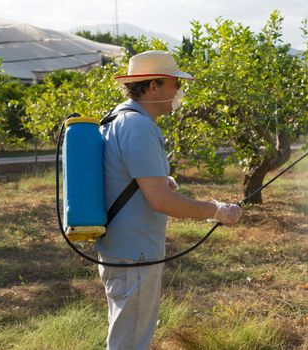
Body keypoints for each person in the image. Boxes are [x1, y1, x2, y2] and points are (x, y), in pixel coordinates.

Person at [96, 50, 242, 350]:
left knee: (126, 334)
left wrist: (159, 181)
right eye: (174, 84)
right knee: (131, 342)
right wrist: (216, 210)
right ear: (153, 86)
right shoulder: (139, 126)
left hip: (120, 249)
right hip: (134, 254)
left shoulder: (117, 118)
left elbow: (124, 176)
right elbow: (161, 201)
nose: (179, 91)